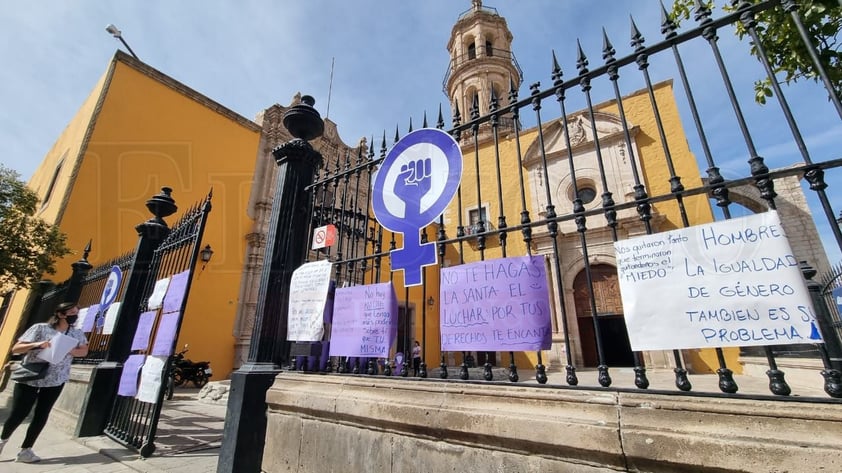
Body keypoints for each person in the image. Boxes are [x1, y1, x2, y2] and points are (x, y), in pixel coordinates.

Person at [0, 302, 88, 463]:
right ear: (61, 314)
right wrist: (38, 344)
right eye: (72, 313)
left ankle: (26, 450)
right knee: (19, 413)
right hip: (31, 377)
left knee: (42, 414)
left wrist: (71, 350)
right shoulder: (41, 328)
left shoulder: (76, 333)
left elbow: (84, 350)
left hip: (56, 379)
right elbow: (16, 348)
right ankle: (2, 441)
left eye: (77, 312)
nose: (75, 316)